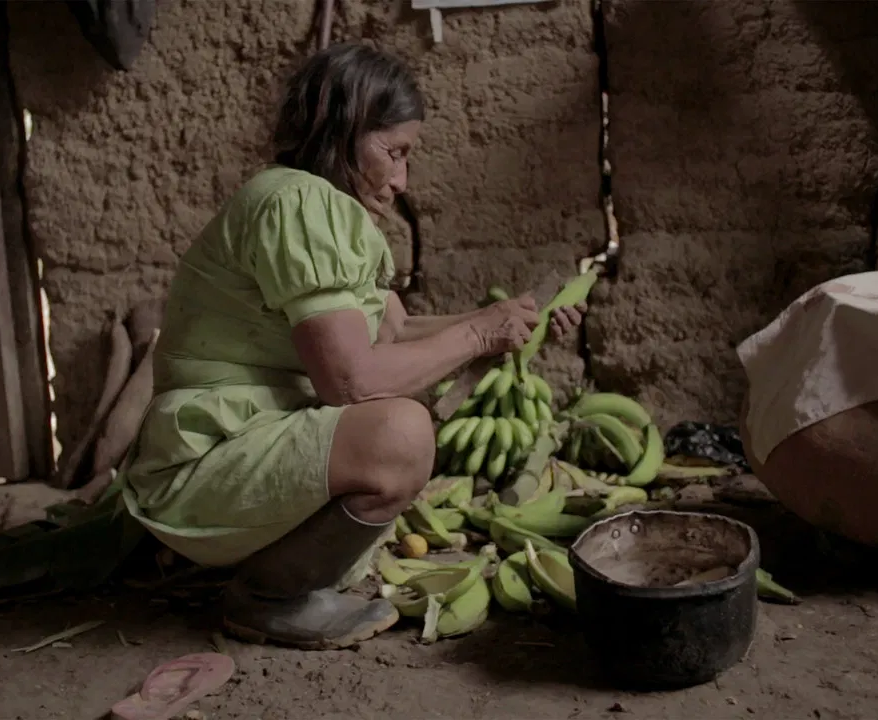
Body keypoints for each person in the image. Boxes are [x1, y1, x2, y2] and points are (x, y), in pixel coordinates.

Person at [115, 43, 587, 650]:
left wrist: (505, 320)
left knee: (394, 417)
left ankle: (272, 577)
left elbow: (390, 333)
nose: (401, 180)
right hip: (203, 461)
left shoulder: (322, 212)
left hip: (238, 446)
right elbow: (354, 381)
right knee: (399, 436)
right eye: (392, 153)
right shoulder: (299, 204)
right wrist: (476, 333)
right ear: (338, 132)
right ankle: (267, 598)